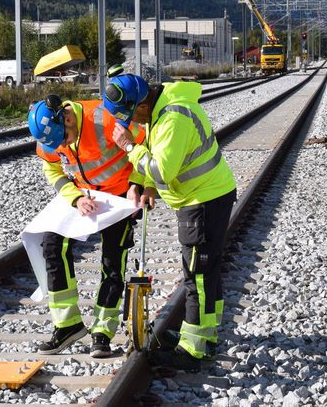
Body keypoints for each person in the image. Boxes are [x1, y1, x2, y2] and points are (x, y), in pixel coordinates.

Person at [101, 70, 237, 371]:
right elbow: (153, 154)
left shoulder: (173, 118)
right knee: (206, 271)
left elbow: (163, 170)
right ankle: (205, 336)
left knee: (197, 275)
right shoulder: (161, 109)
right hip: (206, 196)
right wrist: (140, 182)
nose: (132, 124)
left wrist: (127, 147)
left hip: (202, 201)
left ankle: (192, 351)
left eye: (131, 117)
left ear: (142, 106)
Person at [27, 93, 146, 358]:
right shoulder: (50, 138)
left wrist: (137, 183)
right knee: (51, 244)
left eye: (65, 139)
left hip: (118, 197)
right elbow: (53, 170)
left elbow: (144, 143)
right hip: (85, 196)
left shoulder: (104, 118)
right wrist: (76, 197)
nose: (63, 147)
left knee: (112, 261)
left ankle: (102, 333)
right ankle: (67, 325)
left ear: (67, 118)